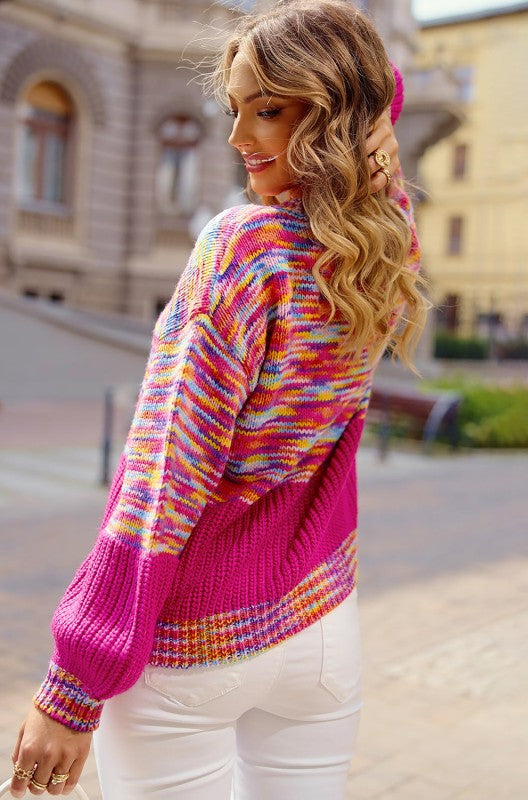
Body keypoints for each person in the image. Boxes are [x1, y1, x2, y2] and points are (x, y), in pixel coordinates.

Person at [10, 1, 428, 797]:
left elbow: (164, 476)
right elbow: (381, 84)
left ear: (334, 114)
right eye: (234, 109)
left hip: (192, 647)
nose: (237, 136)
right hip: (319, 626)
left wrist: (73, 685)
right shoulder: (385, 246)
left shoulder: (242, 250)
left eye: (266, 110)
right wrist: (373, 109)